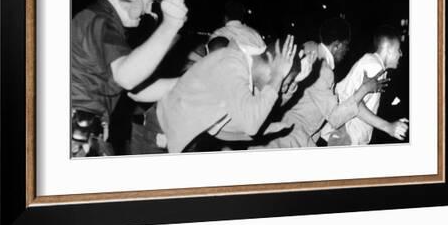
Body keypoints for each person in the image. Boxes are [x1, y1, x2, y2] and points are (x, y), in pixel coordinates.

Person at [70, 0, 188, 157]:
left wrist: (195, 79)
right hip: (76, 138)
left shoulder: (106, 24)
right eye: (151, 2)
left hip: (84, 137)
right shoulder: (99, 21)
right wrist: (170, 26)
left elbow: (138, 90)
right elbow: (126, 77)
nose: (148, 12)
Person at [154, 29, 299, 153]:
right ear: (271, 62)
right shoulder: (233, 65)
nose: (281, 88)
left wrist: (268, 129)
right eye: (283, 83)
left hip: (175, 139)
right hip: (157, 132)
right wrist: (278, 76)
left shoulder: (245, 76)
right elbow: (251, 124)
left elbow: (221, 130)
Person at [258, 17, 388, 149]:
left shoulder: (309, 48)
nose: (346, 51)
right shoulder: (323, 70)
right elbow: (335, 117)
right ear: (337, 45)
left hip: (285, 127)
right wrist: (365, 89)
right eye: (346, 45)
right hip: (293, 136)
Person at [323, 25, 409, 146]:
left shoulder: (372, 62)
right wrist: (388, 127)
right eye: (398, 50)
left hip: (345, 135)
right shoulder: (375, 67)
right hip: (345, 137)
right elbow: (356, 105)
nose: (401, 54)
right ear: (388, 49)